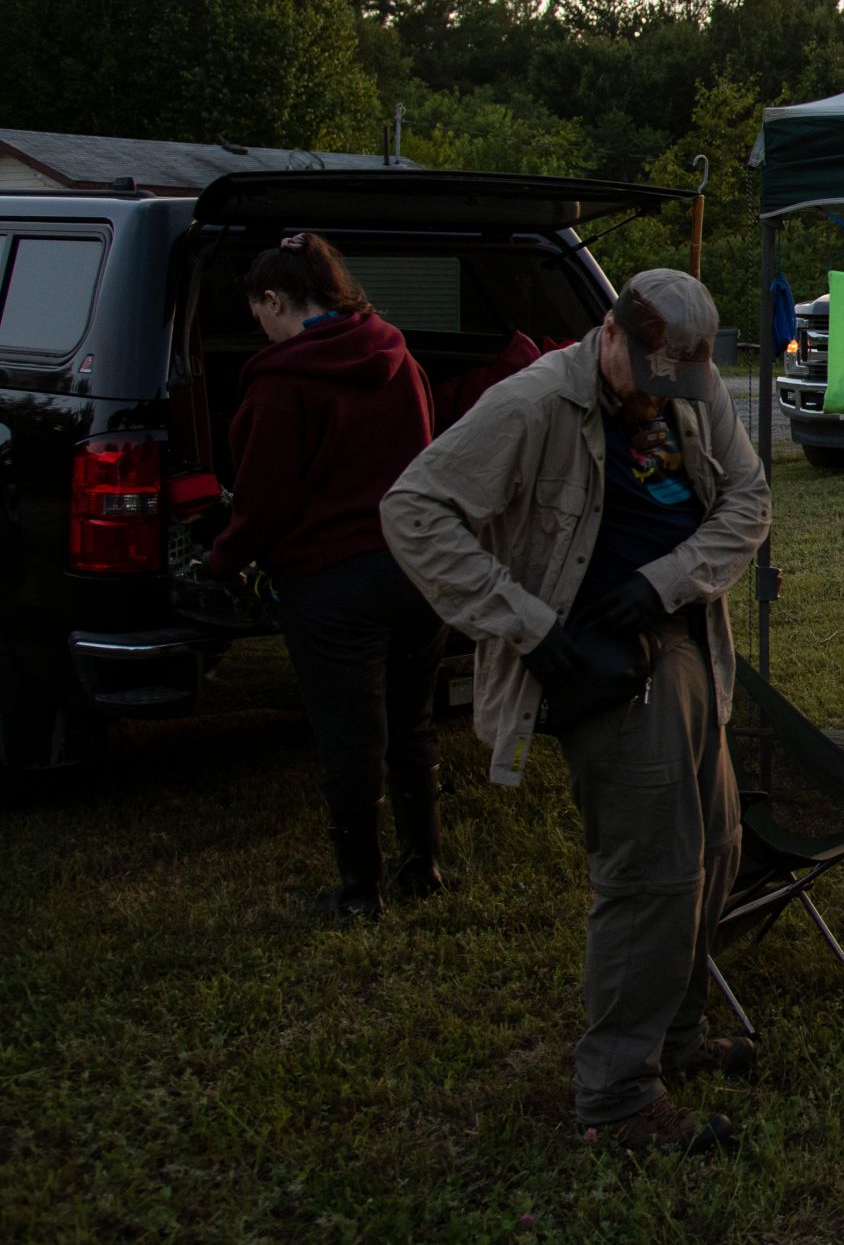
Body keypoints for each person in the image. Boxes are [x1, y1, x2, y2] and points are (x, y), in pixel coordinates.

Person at [382, 270, 772, 1157]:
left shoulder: (692, 384)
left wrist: (659, 581)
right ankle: (618, 1098)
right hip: (601, 669)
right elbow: (412, 510)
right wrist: (530, 628)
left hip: (685, 638)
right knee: (652, 878)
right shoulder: (531, 403)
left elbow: (749, 502)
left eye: (677, 387)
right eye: (649, 382)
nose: (659, 403)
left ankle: (674, 1039)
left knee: (717, 848)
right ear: (610, 337)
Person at [205, 232, 446, 920]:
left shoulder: (282, 384)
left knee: (350, 737)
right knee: (412, 722)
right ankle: (422, 866)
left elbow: (264, 504)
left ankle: (358, 894)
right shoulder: (397, 354)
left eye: (261, 314)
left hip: (332, 584)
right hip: (414, 570)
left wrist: (222, 559)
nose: (263, 331)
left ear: (275, 299)